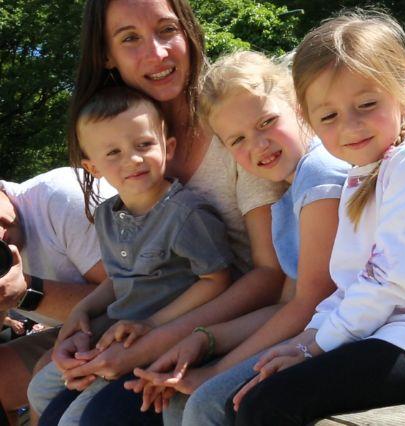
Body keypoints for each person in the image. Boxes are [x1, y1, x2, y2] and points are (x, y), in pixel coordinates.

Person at [225, 11, 405, 425]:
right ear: (308, 120)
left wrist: (310, 349)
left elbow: (385, 281)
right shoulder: (362, 174)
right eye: (328, 116)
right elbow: (350, 284)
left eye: (367, 104)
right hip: (397, 334)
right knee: (262, 393)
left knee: (273, 403)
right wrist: (309, 336)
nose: (350, 126)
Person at [44, 0, 285, 423]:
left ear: (188, 31)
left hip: (231, 334)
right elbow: (131, 275)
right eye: (130, 38)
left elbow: (270, 275)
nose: (157, 53)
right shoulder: (118, 138)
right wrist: (82, 321)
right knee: (51, 405)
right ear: (106, 55)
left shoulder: (233, 120)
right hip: (145, 333)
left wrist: (155, 337)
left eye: (167, 29)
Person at [118, 50, 348, 426]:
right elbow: (289, 302)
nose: (257, 145)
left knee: (207, 404)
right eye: (237, 139)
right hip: (331, 330)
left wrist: (216, 369)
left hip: (368, 333)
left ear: (300, 108)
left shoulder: (319, 175)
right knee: (180, 405)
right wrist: (203, 339)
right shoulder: (291, 194)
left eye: (267, 122)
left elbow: (310, 302)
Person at [28, 86, 234, 426]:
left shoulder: (186, 214)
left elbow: (217, 280)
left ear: (167, 147)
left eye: (144, 145)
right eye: (114, 153)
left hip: (166, 339)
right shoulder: (108, 215)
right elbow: (116, 278)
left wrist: (152, 325)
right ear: (92, 167)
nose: (133, 159)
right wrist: (83, 310)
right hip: (112, 333)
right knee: (39, 390)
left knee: (76, 420)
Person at [0, 168, 114, 426]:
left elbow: (131, 295)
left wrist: (25, 293)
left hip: (142, 317)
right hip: (75, 331)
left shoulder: (62, 197)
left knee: (46, 371)